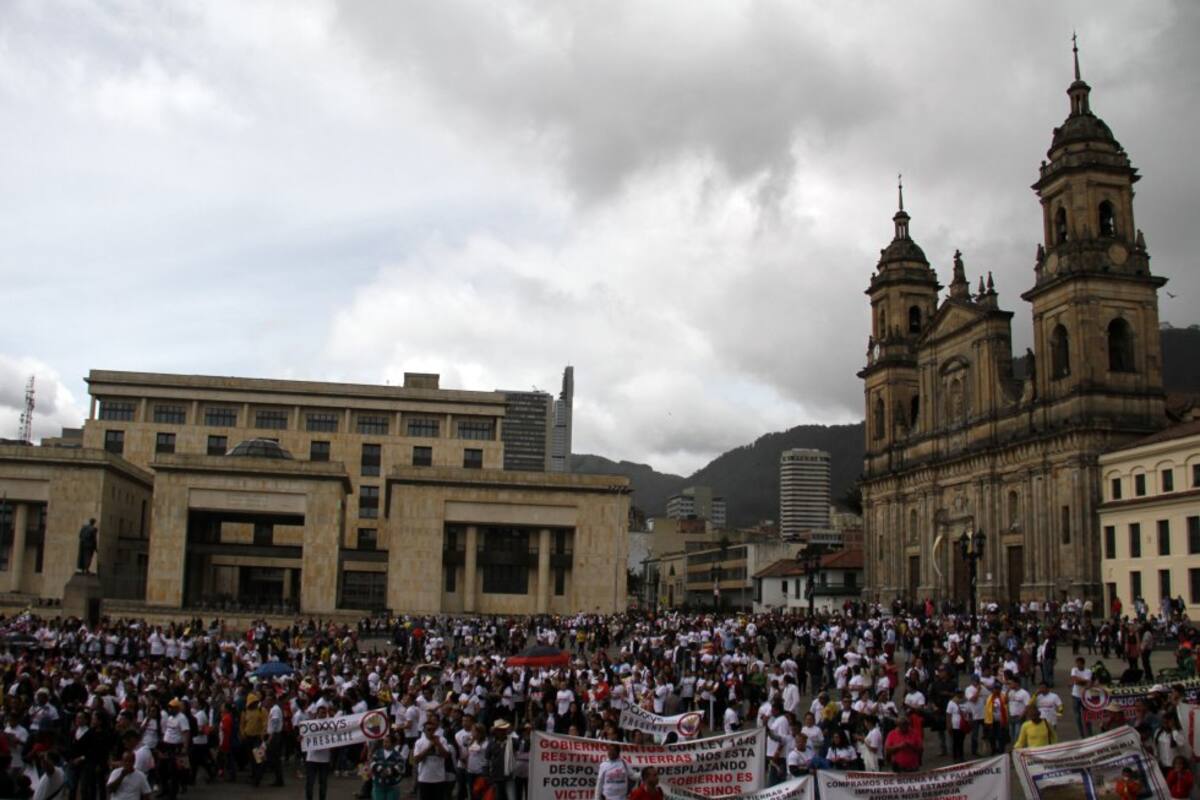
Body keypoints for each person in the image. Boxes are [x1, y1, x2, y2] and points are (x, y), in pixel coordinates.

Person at [413, 720, 452, 800]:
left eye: (433, 729)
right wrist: (429, 748)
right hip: (424, 778)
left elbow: (446, 755)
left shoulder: (442, 740)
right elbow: (416, 760)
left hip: (439, 778)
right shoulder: (419, 742)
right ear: (424, 730)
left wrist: (438, 744)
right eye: (429, 729)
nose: (431, 731)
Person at [303, 707, 332, 800]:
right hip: (311, 759)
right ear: (317, 714)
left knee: (323, 783)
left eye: (324, 713)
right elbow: (303, 738)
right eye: (321, 713)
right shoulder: (309, 725)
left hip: (324, 759)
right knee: (310, 782)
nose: (323, 715)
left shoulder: (330, 726)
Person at [369, 734, 404, 800]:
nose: (384, 744)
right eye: (384, 741)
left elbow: (400, 766)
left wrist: (388, 771)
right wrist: (381, 770)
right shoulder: (377, 753)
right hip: (378, 785)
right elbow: (372, 763)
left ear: (393, 744)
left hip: (392, 785)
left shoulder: (398, 755)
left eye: (387, 742)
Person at [1068, 656, 1092, 737]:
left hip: (1085, 696)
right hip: (1075, 695)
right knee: (1077, 717)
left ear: (1083, 664)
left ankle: (1089, 734)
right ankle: (1081, 735)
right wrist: (1083, 681)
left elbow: (1087, 683)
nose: (1078, 666)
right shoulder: (1074, 669)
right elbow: (1075, 680)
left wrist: (1079, 681)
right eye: (1077, 664)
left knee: (1087, 717)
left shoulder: (1088, 671)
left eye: (1079, 664)